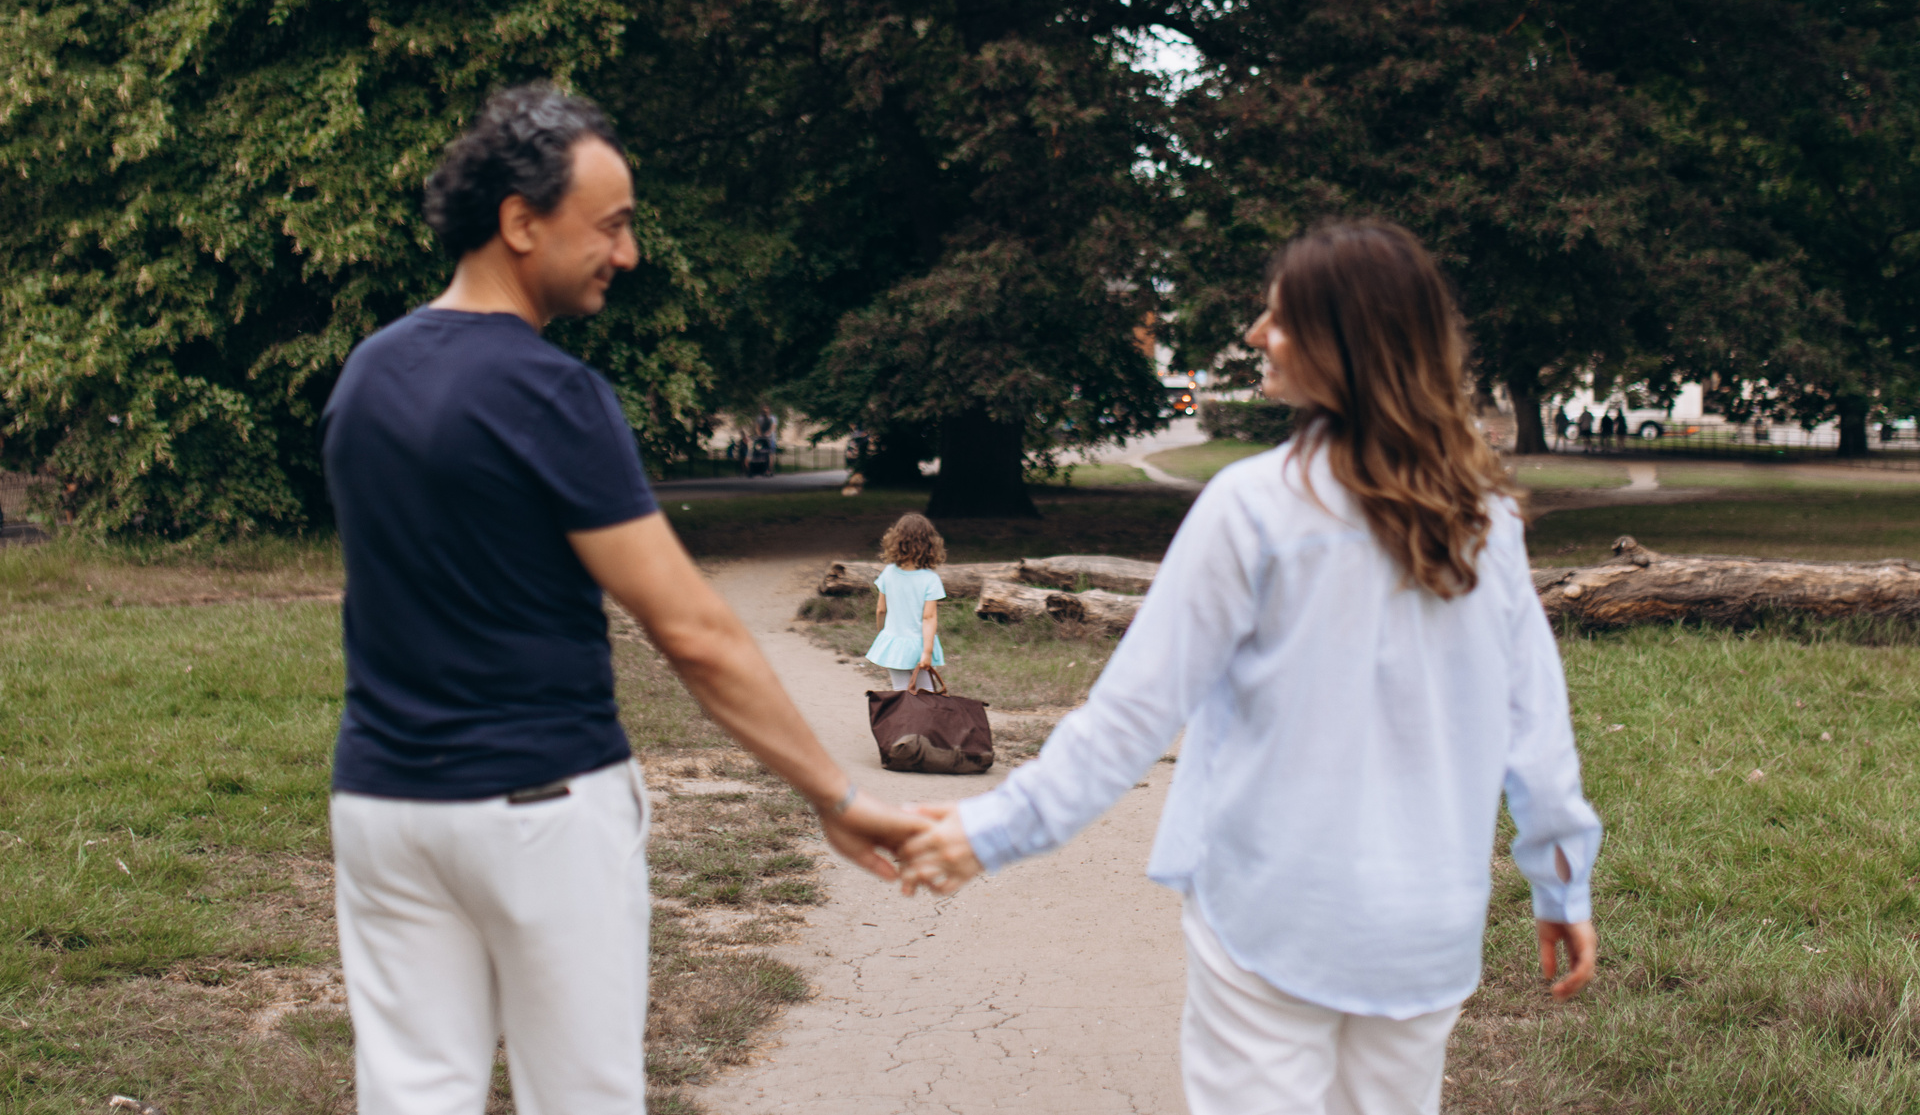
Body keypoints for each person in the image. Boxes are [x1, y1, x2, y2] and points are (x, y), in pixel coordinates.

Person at [898, 220, 1602, 1115]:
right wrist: (1561, 883)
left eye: (1280, 316)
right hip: (1424, 929)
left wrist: (991, 831)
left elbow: (1132, 714)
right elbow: (1536, 728)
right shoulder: (1484, 521)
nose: (1255, 332)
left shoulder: (1256, 506)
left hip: (1276, 911)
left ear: (1341, 343)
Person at [320, 83, 925, 1115]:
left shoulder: (365, 377)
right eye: (610, 225)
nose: (628, 253)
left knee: (411, 1095)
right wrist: (836, 795)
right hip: (540, 810)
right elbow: (692, 631)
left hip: (383, 808)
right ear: (521, 221)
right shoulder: (551, 395)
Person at [866, 512, 946, 692]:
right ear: (930, 545)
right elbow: (929, 617)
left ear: (895, 542)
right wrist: (927, 652)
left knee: (901, 693)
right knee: (926, 695)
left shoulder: (888, 572)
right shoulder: (930, 579)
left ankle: (902, 713)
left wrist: (884, 635)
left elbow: (881, 609)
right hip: (919, 646)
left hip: (894, 645)